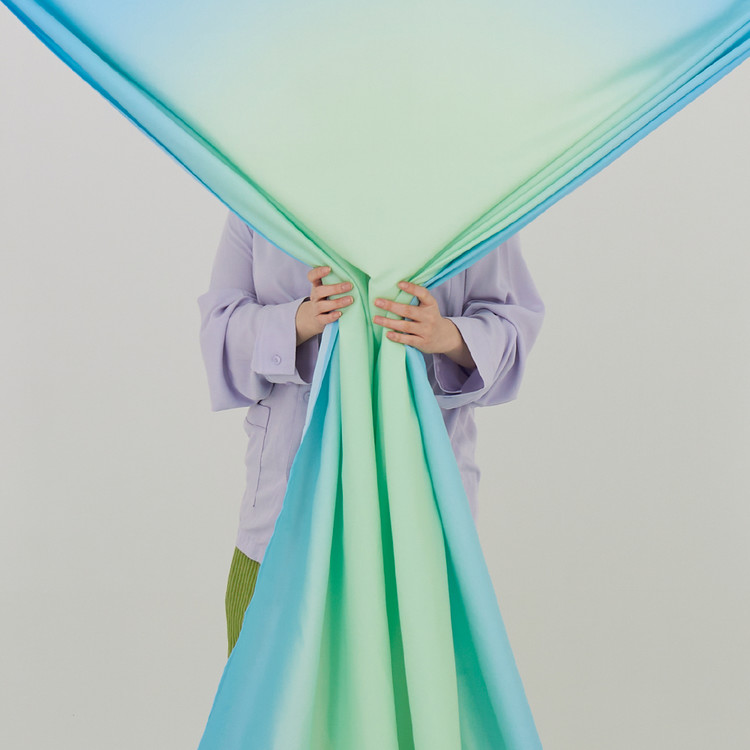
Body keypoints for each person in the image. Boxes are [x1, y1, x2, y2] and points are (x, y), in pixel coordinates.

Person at [197, 210, 546, 656]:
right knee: (260, 685)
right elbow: (220, 332)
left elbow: (511, 326)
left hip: (421, 516)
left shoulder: (470, 198)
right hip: (283, 512)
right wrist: (299, 321)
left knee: (416, 688)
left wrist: (446, 335)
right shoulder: (256, 196)